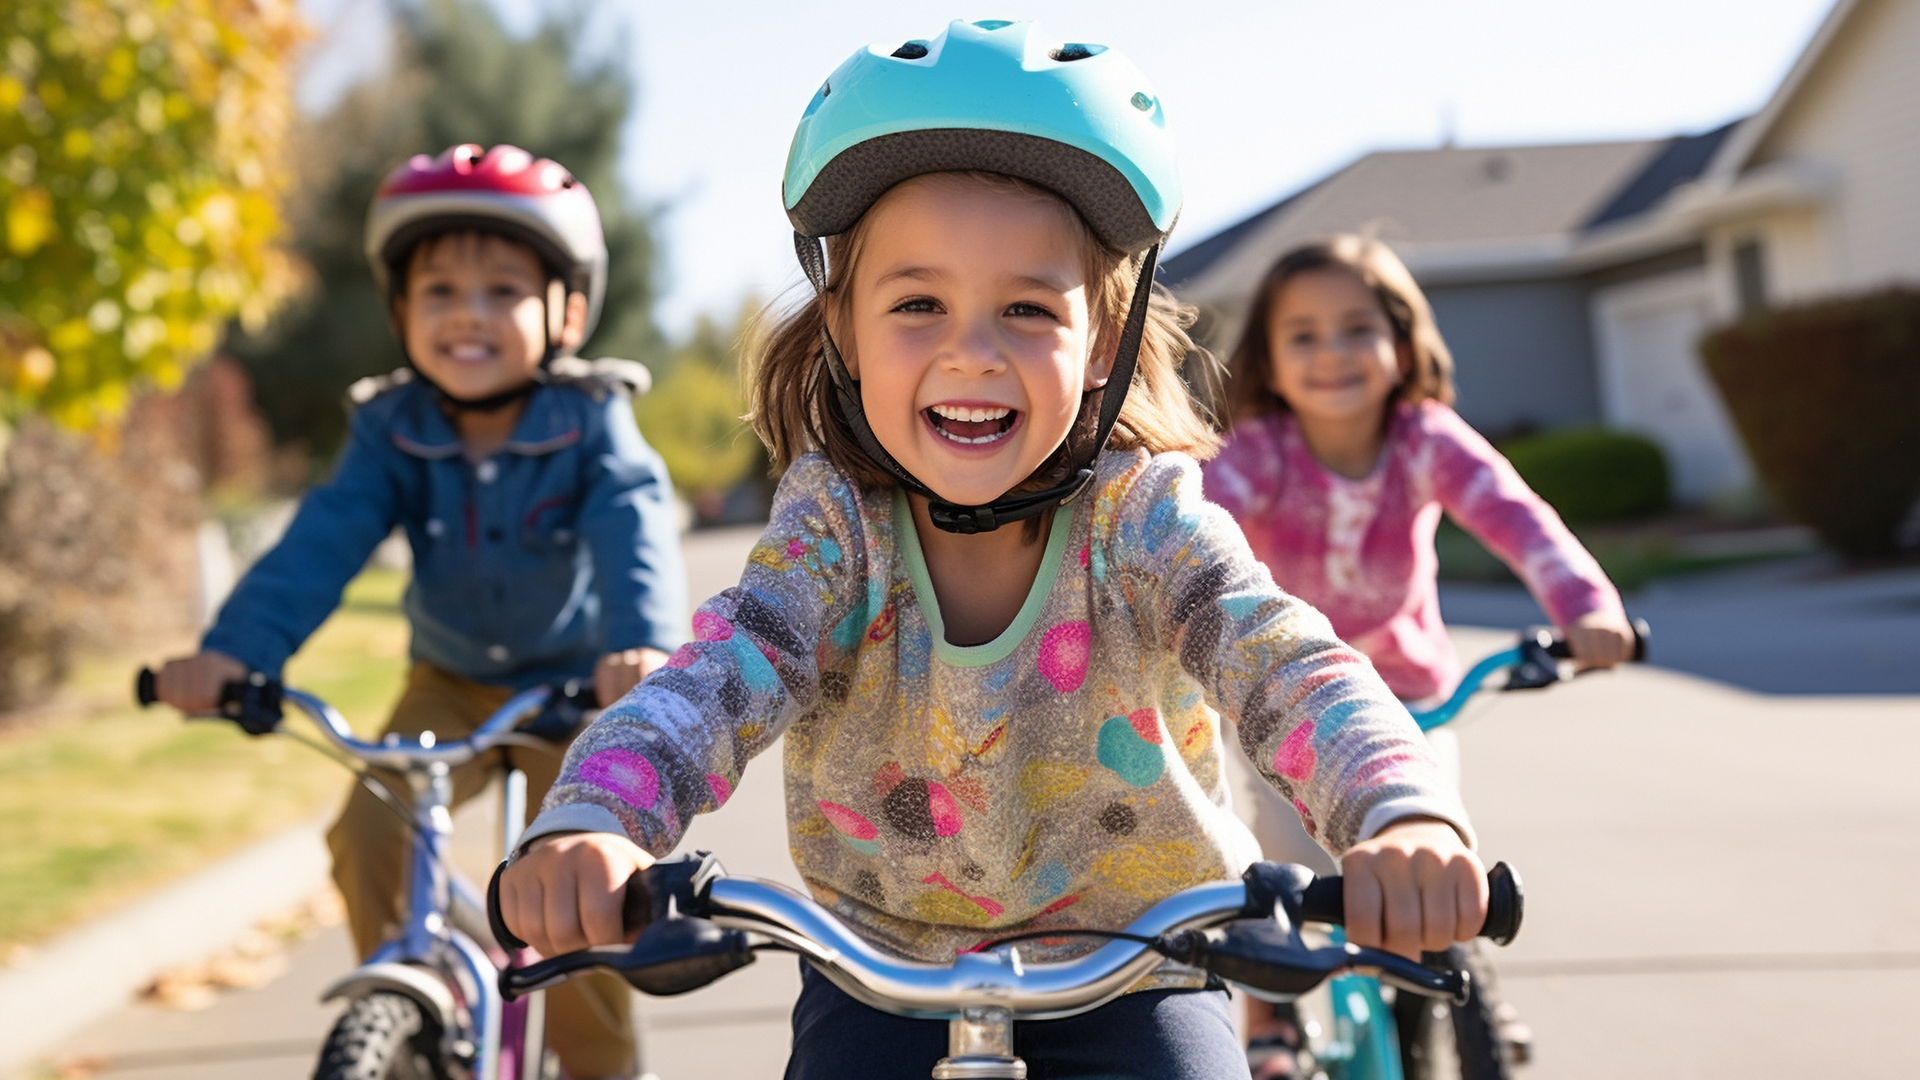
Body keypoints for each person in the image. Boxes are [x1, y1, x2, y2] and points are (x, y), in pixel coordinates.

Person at [499, 22, 1487, 1080]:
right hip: (877, 972)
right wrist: (596, 816)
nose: (972, 349)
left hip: (1141, 963)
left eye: (1026, 308)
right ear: (841, 324)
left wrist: (1399, 808)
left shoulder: (1143, 523)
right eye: (918, 304)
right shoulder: (835, 532)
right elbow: (712, 681)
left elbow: (1284, 661)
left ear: (1101, 342)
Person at [151, 144, 687, 1080]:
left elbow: (631, 526)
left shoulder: (591, 418)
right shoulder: (390, 428)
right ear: (400, 311)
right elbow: (320, 544)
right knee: (368, 832)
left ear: (564, 312)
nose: (468, 316)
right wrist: (234, 654)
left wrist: (640, 647)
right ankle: (411, 1003)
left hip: (576, 690)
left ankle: (600, 1065)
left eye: (503, 292)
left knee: (580, 896)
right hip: (449, 686)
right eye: (440, 291)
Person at [1201, 234, 1637, 1076]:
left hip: (1409, 705)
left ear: (1402, 343)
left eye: (1357, 328)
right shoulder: (1259, 452)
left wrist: (1586, 608)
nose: (1332, 354)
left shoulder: (1425, 440)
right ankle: (1270, 1021)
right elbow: (1202, 526)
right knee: (1277, 866)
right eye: (1304, 335)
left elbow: (1516, 515)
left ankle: (1473, 986)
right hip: (1284, 706)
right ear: (1269, 358)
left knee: (1433, 853)